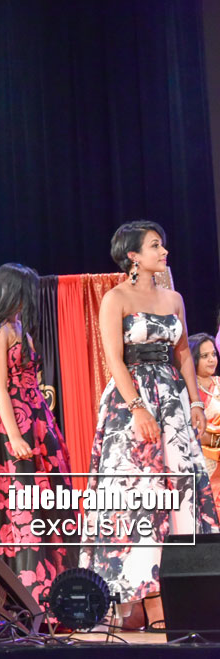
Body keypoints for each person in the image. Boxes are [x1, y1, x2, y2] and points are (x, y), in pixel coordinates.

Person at [79, 221, 219, 629]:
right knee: (136, 495)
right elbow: (114, 358)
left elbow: (184, 354)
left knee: (179, 494)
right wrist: (138, 408)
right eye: (155, 246)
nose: (164, 252)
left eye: (163, 245)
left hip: (172, 399)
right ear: (133, 256)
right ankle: (134, 597)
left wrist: (195, 401)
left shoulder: (173, 298)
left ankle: (176, 595)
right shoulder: (115, 298)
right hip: (131, 402)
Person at [0, 264, 76, 601]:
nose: (29, 298)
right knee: (9, 503)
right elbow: (0, 389)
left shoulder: (20, 328)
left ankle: (51, 587)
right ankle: (12, 590)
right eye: (25, 291)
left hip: (36, 418)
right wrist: (15, 436)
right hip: (10, 426)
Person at [189, 333, 220, 513]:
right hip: (202, 463)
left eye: (214, 354)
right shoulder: (188, 392)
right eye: (204, 356)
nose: (211, 360)